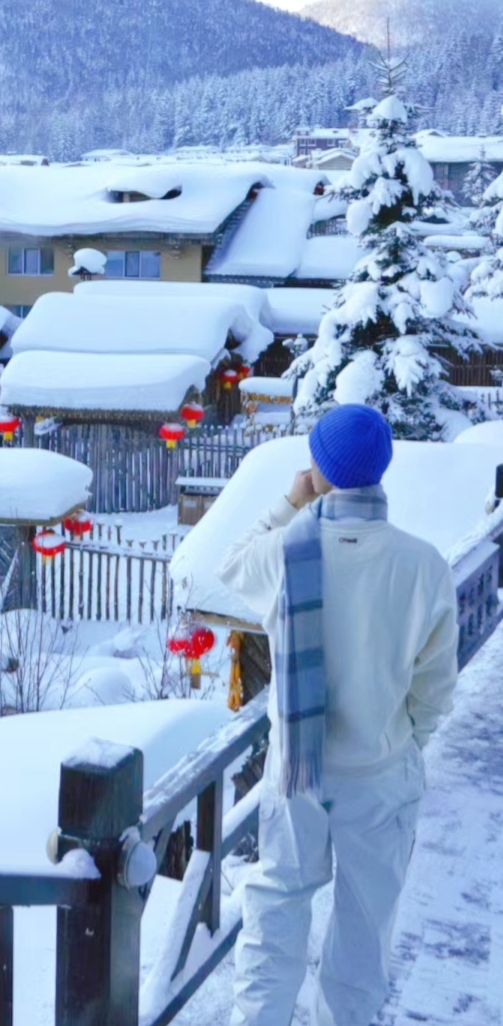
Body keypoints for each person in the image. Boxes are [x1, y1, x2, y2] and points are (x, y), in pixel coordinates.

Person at [221, 404, 458, 1026]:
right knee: (363, 934)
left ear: (319, 470)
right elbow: (434, 690)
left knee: (274, 917)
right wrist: (398, 744)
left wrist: (291, 499)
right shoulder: (423, 564)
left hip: (297, 771)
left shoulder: (285, 553)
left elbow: (231, 565)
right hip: (380, 776)